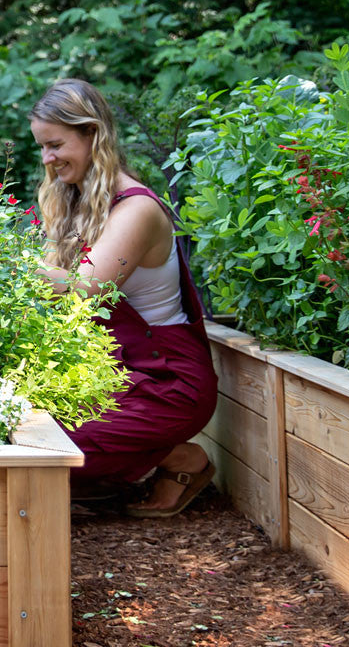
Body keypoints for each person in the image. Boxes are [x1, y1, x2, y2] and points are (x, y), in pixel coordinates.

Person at [28, 78, 218, 517]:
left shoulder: (136, 210)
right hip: (118, 376)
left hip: (168, 383)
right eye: (42, 147)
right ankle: (112, 474)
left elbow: (84, 292)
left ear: (92, 133)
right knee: (18, 433)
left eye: (55, 145)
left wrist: (0, 261)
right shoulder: (77, 206)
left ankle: (176, 458)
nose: (47, 159)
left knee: (46, 453)